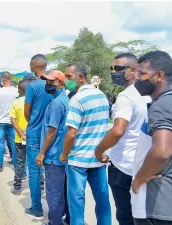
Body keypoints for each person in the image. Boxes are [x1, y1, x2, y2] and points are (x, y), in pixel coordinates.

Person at [94, 53, 150, 225]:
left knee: (125, 215)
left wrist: (99, 150)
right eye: (112, 68)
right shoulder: (148, 94)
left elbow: (118, 131)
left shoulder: (126, 96)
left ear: (134, 70)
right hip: (144, 165)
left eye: (119, 68)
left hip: (123, 167)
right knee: (141, 215)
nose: (114, 72)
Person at [60, 62, 111, 225]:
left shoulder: (77, 99)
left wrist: (64, 153)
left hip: (78, 160)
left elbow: (71, 133)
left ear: (81, 78)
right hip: (97, 158)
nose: (66, 80)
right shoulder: (102, 96)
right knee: (102, 200)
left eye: (69, 77)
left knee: (76, 204)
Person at [131, 50, 172, 225]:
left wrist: (140, 177)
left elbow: (161, 152)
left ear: (159, 76)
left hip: (158, 204)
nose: (137, 78)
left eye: (142, 73)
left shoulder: (161, 106)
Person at [36, 70, 70, 225]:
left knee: (54, 194)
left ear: (61, 83)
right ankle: (64, 219)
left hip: (53, 155)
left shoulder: (57, 103)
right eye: (47, 81)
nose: (48, 84)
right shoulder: (63, 99)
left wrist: (42, 153)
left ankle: (55, 222)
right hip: (61, 153)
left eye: (52, 82)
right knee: (63, 191)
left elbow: (52, 131)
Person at [24, 54, 52, 220]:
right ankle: (57, 210)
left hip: (34, 134)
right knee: (52, 171)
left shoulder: (32, 86)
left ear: (33, 65)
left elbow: (27, 112)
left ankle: (37, 208)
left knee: (34, 171)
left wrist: (33, 122)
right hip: (51, 133)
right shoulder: (53, 85)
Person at [0, 72, 18, 172]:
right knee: (14, 143)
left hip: (1, 120)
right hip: (13, 120)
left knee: (0, 143)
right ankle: (16, 165)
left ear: (2, 79)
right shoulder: (16, 91)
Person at [10, 80, 29, 195]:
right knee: (36, 163)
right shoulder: (33, 102)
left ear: (19, 90)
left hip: (19, 138)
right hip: (33, 137)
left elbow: (13, 120)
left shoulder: (15, 103)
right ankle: (41, 185)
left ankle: (17, 187)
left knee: (20, 163)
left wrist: (21, 134)